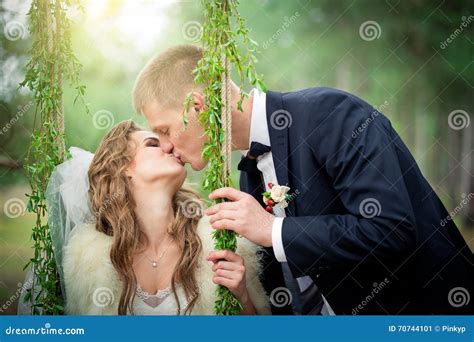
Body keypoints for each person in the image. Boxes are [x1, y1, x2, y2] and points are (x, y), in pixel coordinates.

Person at [131, 44, 473, 315]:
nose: (166, 146)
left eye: (163, 130)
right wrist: (243, 290)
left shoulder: (331, 115)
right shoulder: (249, 180)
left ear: (198, 106)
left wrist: (272, 230)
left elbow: (391, 228)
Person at [54, 120, 270, 315]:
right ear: (123, 167)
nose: (170, 146)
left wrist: (241, 297)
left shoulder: (219, 240)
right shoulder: (87, 258)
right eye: (152, 144)